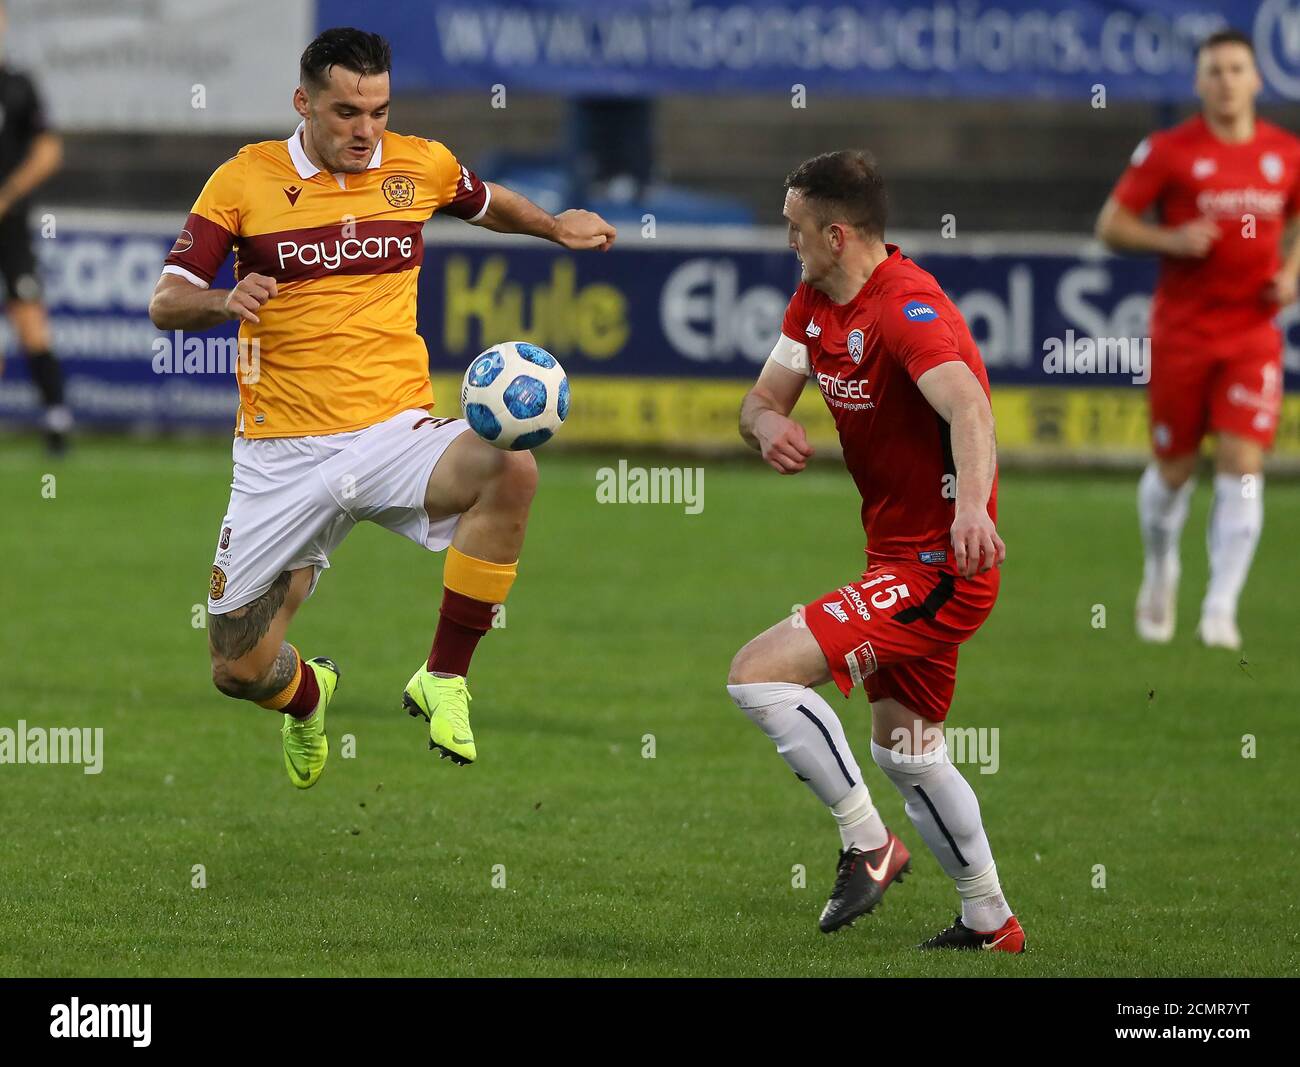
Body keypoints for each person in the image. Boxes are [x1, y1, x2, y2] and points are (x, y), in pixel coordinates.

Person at [148, 27, 615, 788]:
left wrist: (554, 225)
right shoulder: (244, 180)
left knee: (512, 466)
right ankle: (310, 696)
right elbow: (166, 301)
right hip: (282, 454)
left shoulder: (417, 163)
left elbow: (484, 200)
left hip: (397, 431)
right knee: (238, 667)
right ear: (303, 103)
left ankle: (444, 675)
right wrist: (221, 299)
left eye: (378, 111)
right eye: (345, 113)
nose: (366, 131)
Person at [727, 150, 1024, 952]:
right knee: (909, 753)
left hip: (940, 568)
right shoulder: (814, 301)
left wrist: (969, 510)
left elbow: (969, 408)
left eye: (795, 229)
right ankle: (990, 922)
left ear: (836, 232)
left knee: (757, 674)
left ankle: (868, 843)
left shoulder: (907, 310)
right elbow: (758, 400)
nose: (786, 241)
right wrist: (768, 427)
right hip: (894, 560)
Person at [1096, 28, 1300, 650]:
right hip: (1182, 333)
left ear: (1257, 79)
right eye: (1214, 71)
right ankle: (1161, 568)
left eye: (1237, 69)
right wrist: (1170, 240)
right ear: (1198, 82)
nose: (1226, 81)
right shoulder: (1169, 151)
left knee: (1243, 465)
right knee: (1175, 469)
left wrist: (1291, 273)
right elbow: (1112, 224)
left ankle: (1220, 606)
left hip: (1251, 334)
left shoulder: (1285, 153)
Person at [0, 0, 69, 454]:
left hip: (10, 227)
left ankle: (56, 420)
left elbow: (48, 151)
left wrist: (6, 195)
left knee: (29, 318)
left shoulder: (18, 86)